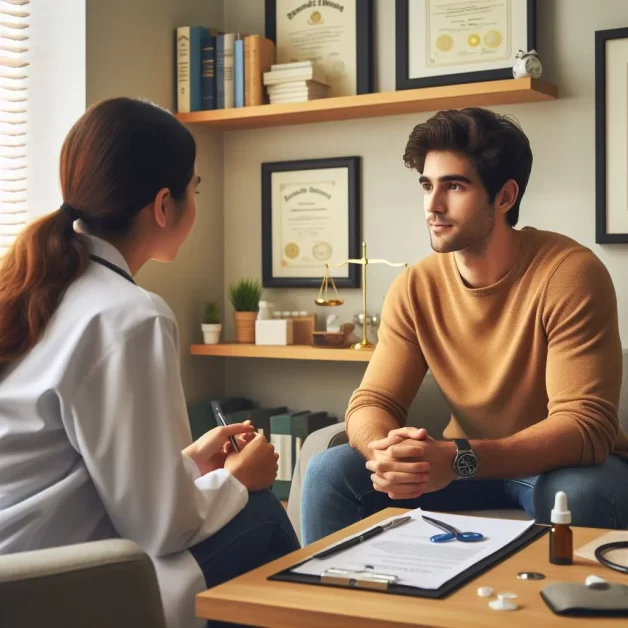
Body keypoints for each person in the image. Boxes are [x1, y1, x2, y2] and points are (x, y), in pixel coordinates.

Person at [0, 97, 299, 628]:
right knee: (262, 514)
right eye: (196, 190)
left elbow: (79, 475)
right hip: (49, 586)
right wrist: (237, 479)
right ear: (164, 205)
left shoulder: (35, 290)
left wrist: (188, 464)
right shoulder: (129, 316)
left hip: (20, 568)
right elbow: (158, 527)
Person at [301, 107, 628, 545]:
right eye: (427, 185)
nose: (433, 205)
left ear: (505, 196)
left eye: (454, 186)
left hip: (551, 466)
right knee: (330, 471)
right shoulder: (415, 286)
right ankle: (338, 611)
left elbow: (584, 427)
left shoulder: (569, 273)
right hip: (459, 464)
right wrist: (385, 450)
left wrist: (457, 459)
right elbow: (372, 401)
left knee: (583, 490)